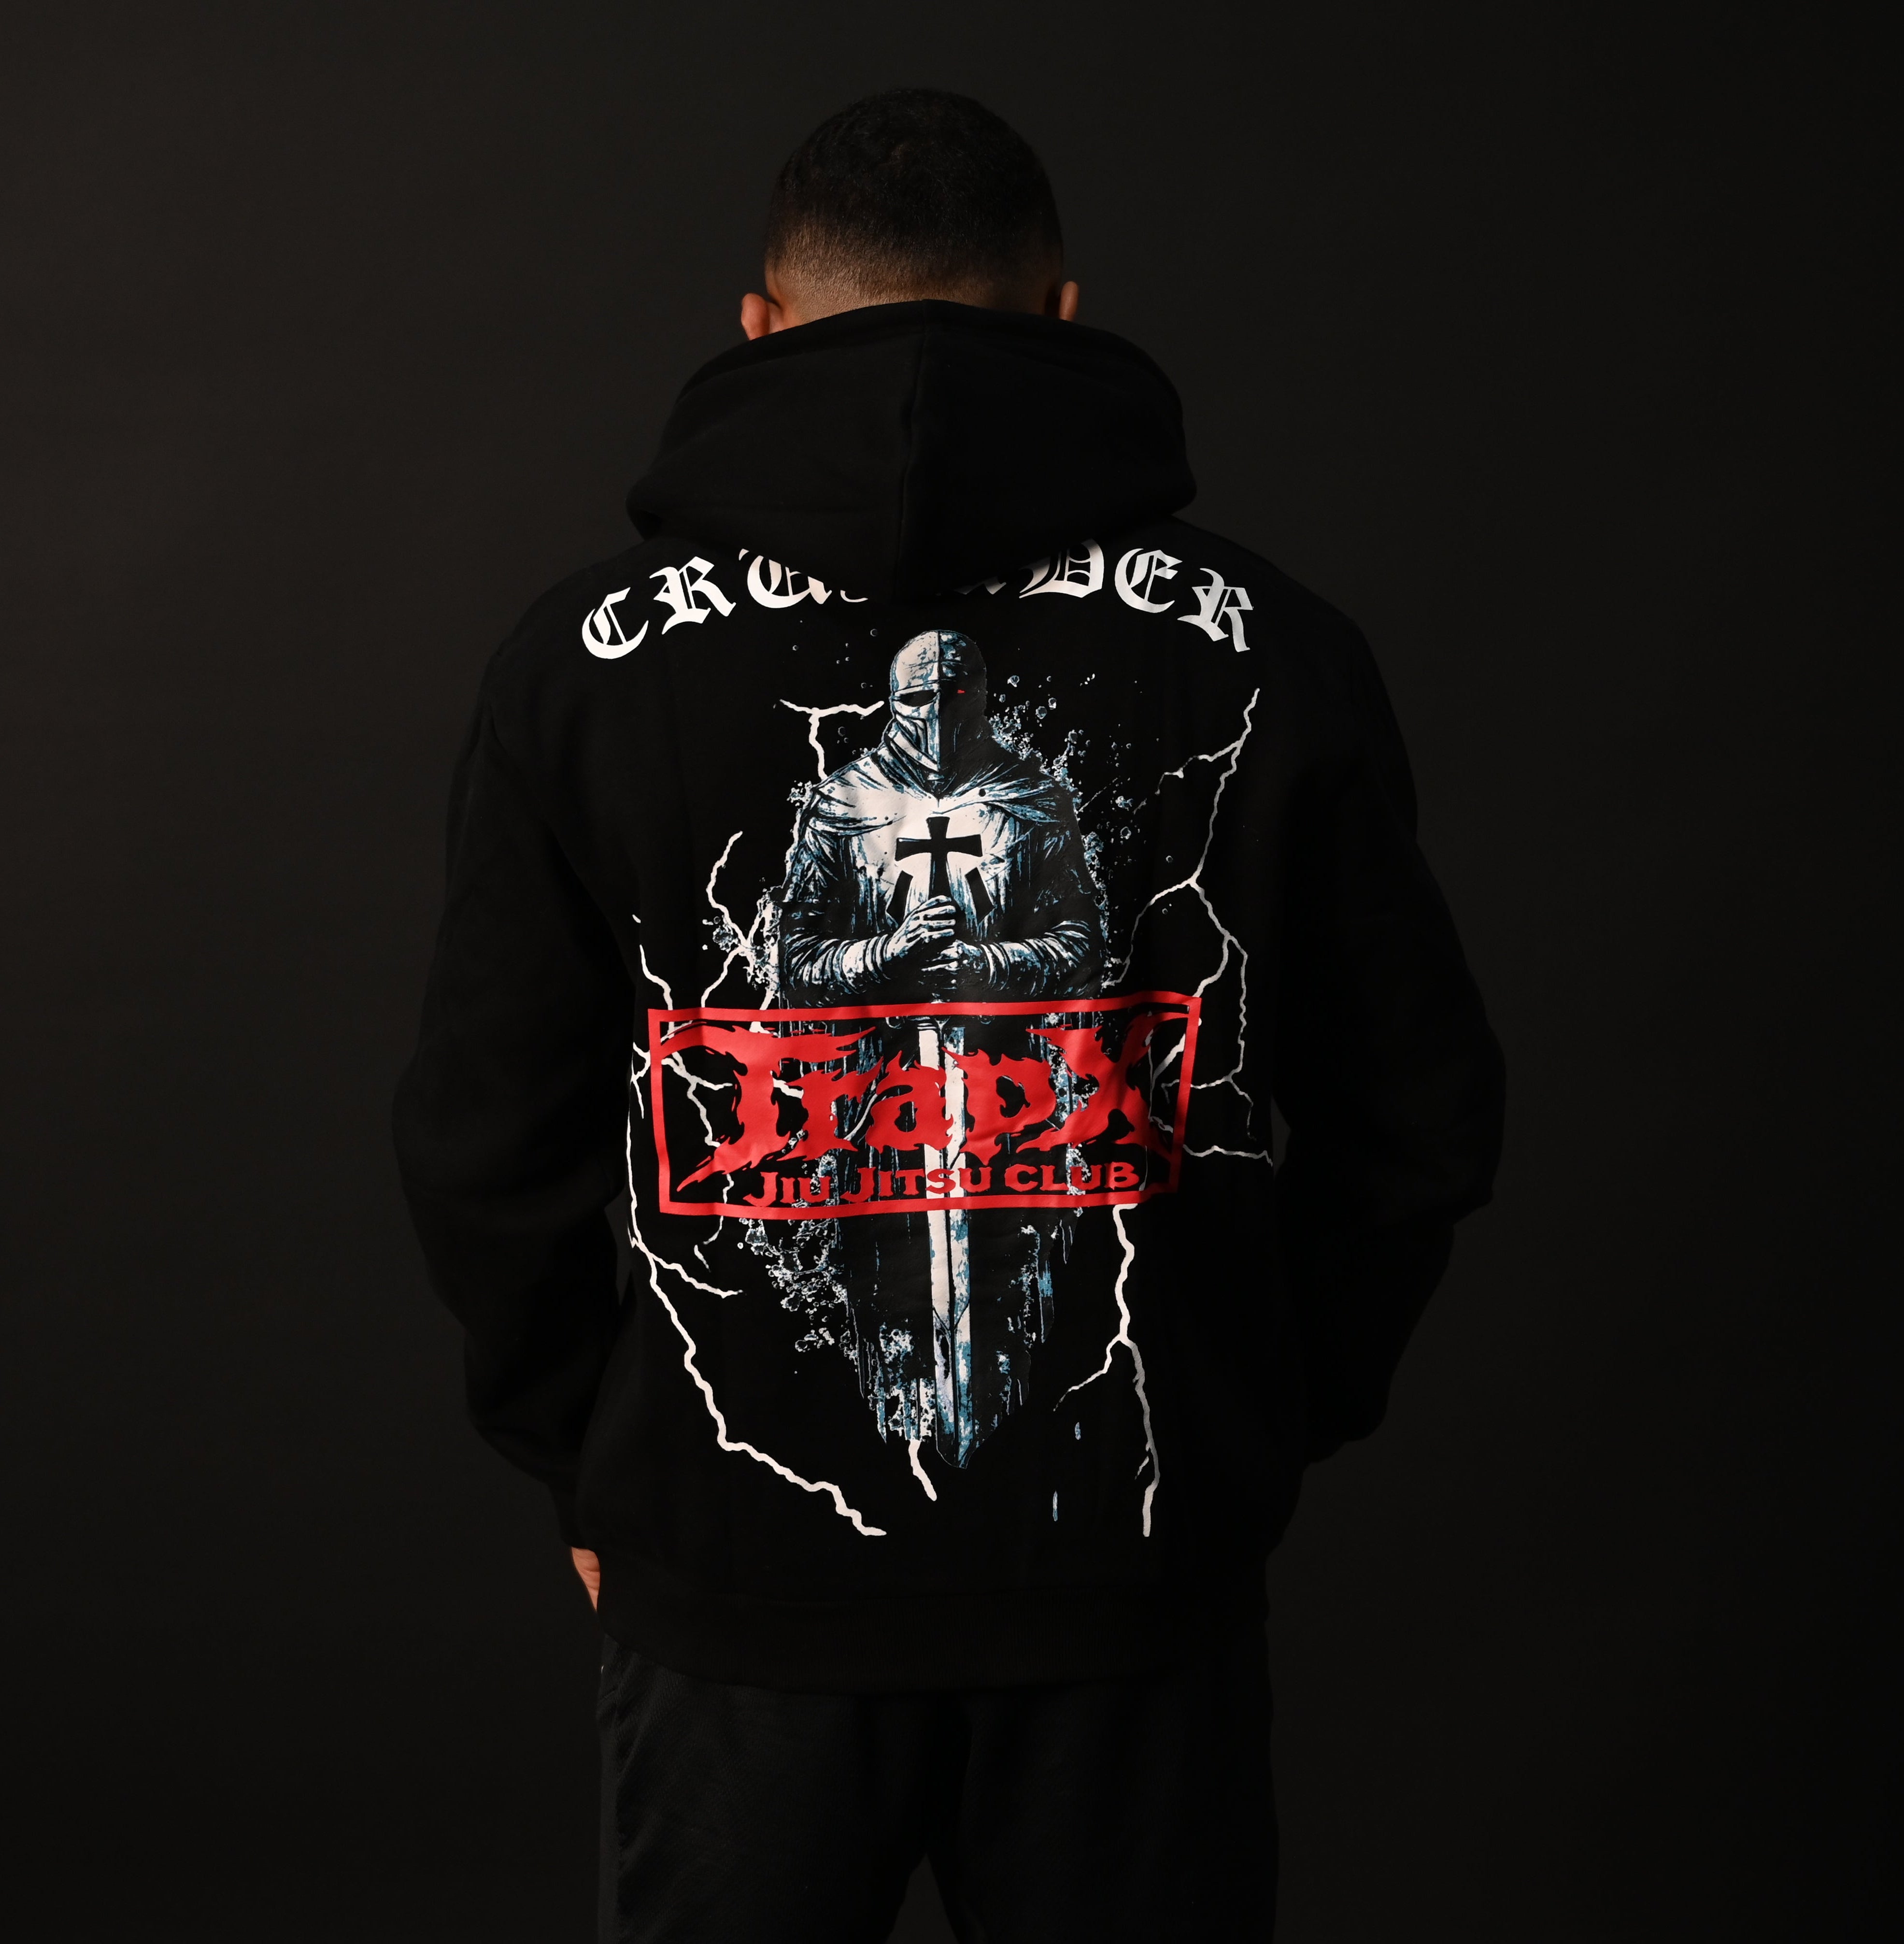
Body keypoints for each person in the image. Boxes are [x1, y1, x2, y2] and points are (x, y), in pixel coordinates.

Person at [395, 87, 1504, 1944]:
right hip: (1124, 1558)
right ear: (1063, 314)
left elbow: (481, 1138)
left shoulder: (582, 666)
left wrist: (589, 1463)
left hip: (741, 1576)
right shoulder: (1271, 649)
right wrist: (1249, 1414)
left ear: (760, 326)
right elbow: (1420, 1116)